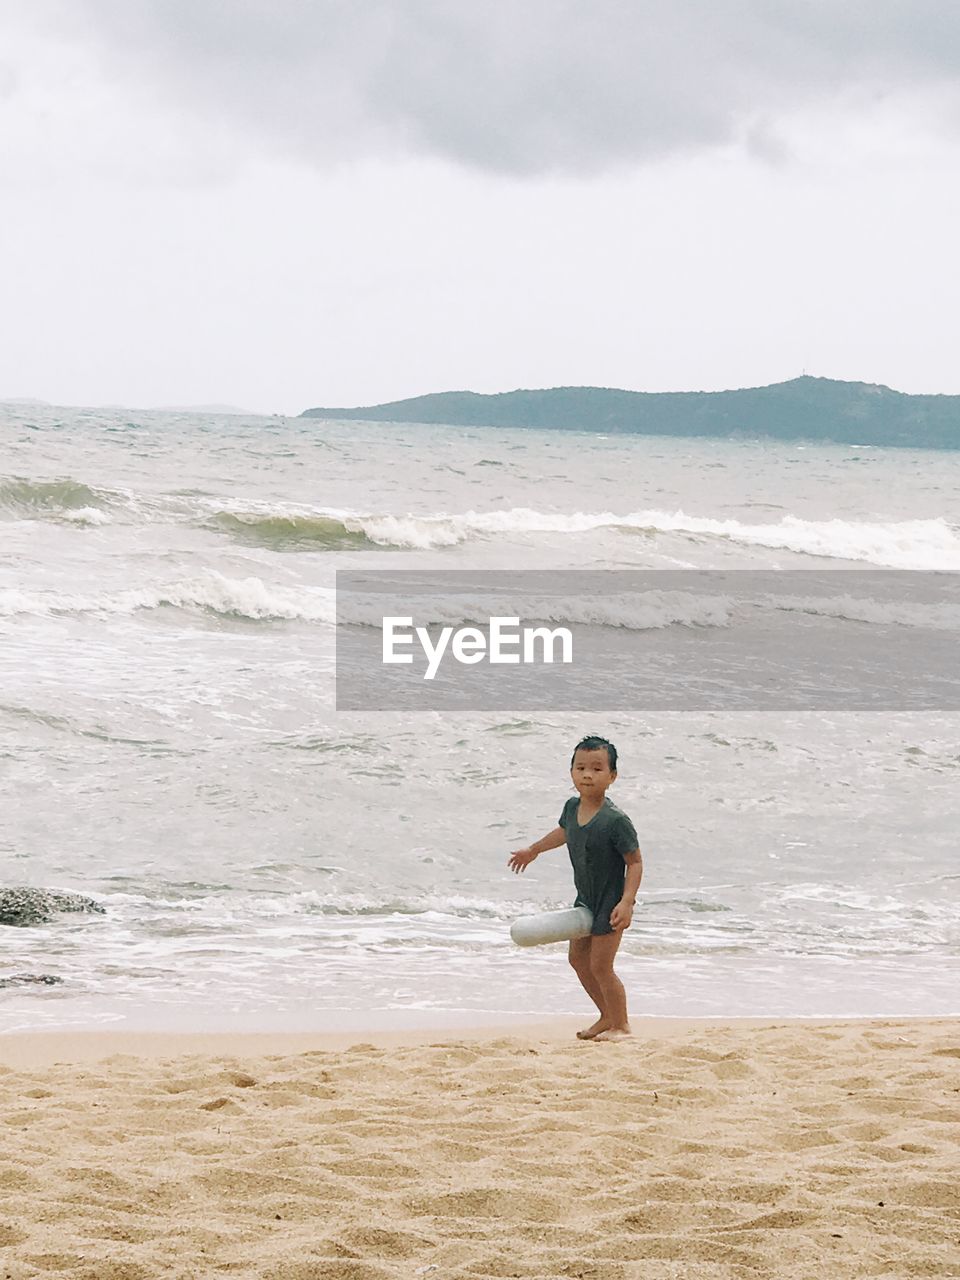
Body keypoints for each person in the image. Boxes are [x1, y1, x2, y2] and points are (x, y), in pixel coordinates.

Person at [508, 735, 643, 1041]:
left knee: (601, 966)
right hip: (585, 900)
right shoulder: (572, 807)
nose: (587, 774)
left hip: (610, 903)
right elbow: (564, 832)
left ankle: (621, 1025)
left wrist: (627, 902)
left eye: (597, 769)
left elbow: (635, 863)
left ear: (612, 776)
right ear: (571, 771)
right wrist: (533, 850)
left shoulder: (615, 820)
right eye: (580, 767)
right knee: (578, 960)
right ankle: (606, 1016)